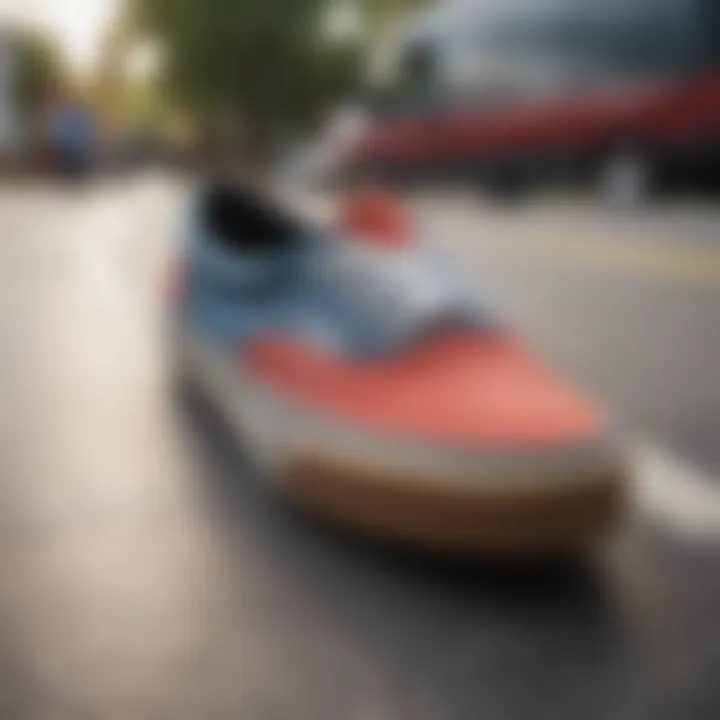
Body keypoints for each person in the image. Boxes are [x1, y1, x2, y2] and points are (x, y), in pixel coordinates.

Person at [47, 93, 96, 181]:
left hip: (77, 148)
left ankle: (75, 178)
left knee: (76, 171)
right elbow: (57, 132)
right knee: (70, 172)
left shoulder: (79, 115)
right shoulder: (64, 115)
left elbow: (87, 129)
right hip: (69, 149)